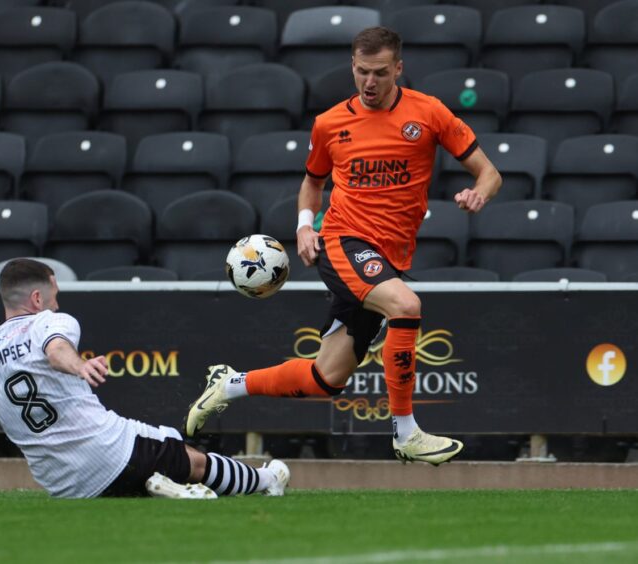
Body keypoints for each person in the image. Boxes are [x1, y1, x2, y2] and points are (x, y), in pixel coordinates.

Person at [186, 26, 502, 466]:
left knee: (326, 378)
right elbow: (312, 184)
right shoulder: (331, 123)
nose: (369, 83)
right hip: (343, 242)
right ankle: (406, 432)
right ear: (352, 67)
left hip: (388, 257)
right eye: (360, 72)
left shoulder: (428, 113)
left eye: (379, 73)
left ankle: (230, 383)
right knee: (406, 306)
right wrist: (302, 226)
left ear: (398, 69)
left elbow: (488, 171)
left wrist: (479, 193)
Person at [0, 258, 289, 500]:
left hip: (63, 485)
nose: (57, 299)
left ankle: (157, 488)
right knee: (191, 458)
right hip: (112, 453)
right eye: (53, 291)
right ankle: (267, 481)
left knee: (158, 457)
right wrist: (79, 365)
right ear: (36, 298)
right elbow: (55, 347)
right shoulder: (50, 321)